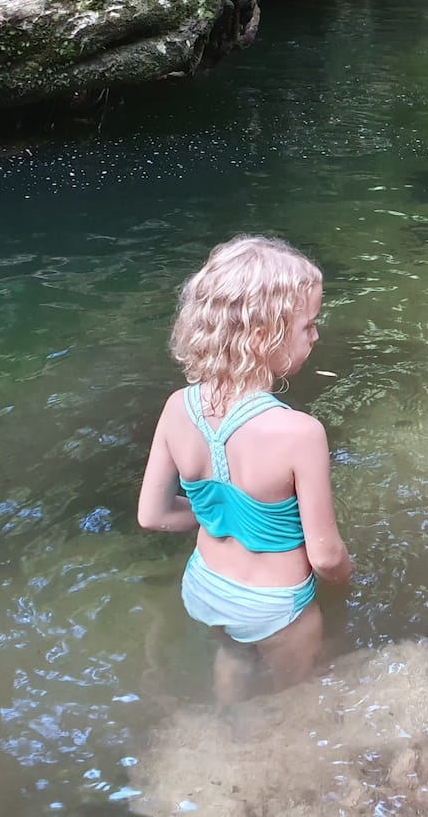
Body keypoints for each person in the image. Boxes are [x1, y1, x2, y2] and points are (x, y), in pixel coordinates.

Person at [137, 235, 352, 694]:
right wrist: (349, 582)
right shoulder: (300, 433)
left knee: (234, 659)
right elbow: (326, 556)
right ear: (261, 338)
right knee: (296, 699)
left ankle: (226, 722)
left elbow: (152, 515)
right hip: (274, 605)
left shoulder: (176, 408)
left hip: (204, 588)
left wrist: (221, 512)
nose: (316, 336)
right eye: (308, 326)